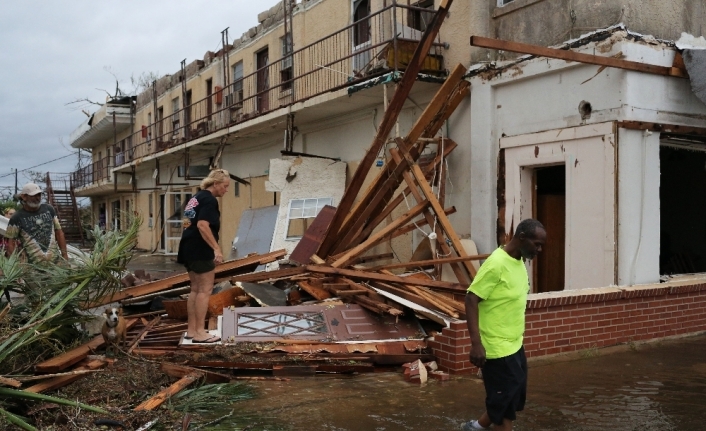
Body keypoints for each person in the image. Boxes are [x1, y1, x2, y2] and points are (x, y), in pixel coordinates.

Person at [462, 219, 546, 431]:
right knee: (503, 407)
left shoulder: (518, 261)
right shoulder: (496, 264)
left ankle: (477, 427)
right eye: (536, 244)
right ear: (522, 238)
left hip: (515, 345)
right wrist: (476, 344)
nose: (540, 249)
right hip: (496, 349)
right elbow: (471, 298)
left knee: (512, 397)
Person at [177, 169, 230, 343]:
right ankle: (200, 332)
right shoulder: (209, 200)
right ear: (215, 184)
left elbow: (188, 223)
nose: (226, 190)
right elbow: (202, 225)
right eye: (225, 186)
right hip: (200, 249)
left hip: (187, 247)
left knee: (195, 289)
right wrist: (216, 248)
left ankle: (192, 330)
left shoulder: (196, 198)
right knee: (205, 290)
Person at [5, 183, 68, 264]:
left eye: (39, 195)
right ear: (24, 197)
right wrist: (14, 265)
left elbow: (59, 233)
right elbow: (11, 243)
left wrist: (65, 256)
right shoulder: (17, 217)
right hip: (33, 269)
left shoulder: (49, 209)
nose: (37, 198)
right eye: (33, 195)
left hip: (56, 266)